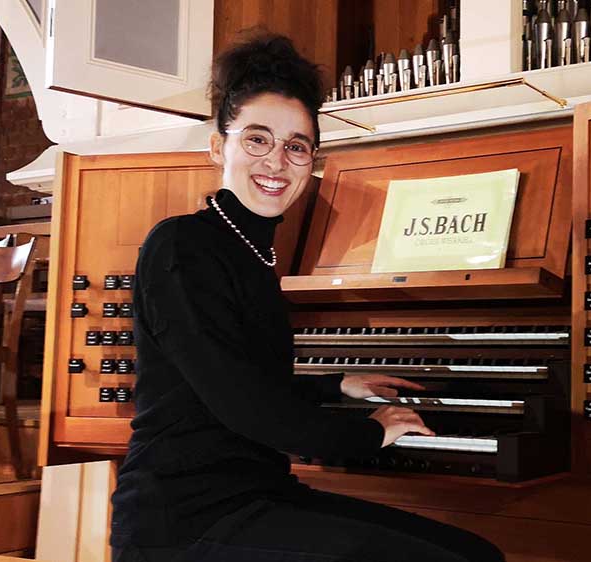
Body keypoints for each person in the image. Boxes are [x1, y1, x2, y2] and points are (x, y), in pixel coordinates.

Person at [109, 32, 507, 562]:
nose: (277, 161)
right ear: (217, 146)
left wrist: (337, 384)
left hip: (255, 496)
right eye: (257, 139)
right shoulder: (182, 244)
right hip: (182, 518)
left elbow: (246, 381)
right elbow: (245, 407)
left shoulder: (254, 252)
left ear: (312, 161)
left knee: (474, 553)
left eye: (296, 146)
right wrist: (369, 434)